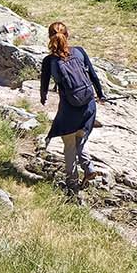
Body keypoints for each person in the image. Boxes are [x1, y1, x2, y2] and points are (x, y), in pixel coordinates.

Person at [39, 21, 105, 196]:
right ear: (67, 35)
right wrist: (101, 95)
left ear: (49, 38)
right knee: (81, 139)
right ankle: (88, 167)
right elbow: (93, 75)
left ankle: (72, 183)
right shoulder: (79, 51)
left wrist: (43, 97)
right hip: (88, 106)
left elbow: (44, 83)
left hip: (69, 109)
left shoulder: (49, 61)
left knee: (69, 145)